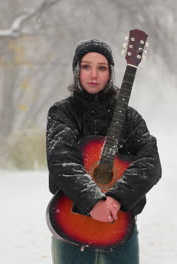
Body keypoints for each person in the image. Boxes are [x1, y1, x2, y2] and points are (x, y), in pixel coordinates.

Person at [46, 39, 161, 264]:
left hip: (118, 227)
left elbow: (150, 163)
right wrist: (93, 201)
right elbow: (62, 161)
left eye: (102, 67)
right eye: (86, 66)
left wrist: (116, 198)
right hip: (72, 226)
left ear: (111, 72)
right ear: (77, 70)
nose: (93, 75)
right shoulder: (62, 113)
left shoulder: (130, 118)